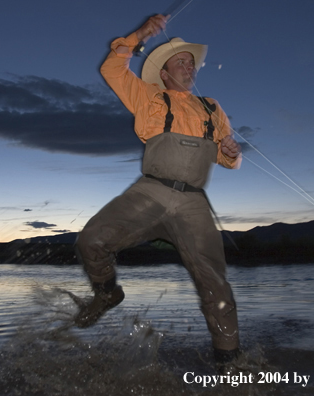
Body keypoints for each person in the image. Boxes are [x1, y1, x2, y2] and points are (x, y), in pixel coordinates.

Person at [74, 14, 242, 371]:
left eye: (191, 62)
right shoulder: (147, 96)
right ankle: (107, 294)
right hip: (150, 192)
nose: (188, 66)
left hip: (194, 202)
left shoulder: (212, 107)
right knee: (91, 239)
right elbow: (111, 68)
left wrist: (231, 151)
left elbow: (231, 161)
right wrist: (141, 35)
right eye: (180, 61)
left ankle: (230, 364)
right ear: (164, 73)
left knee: (216, 286)